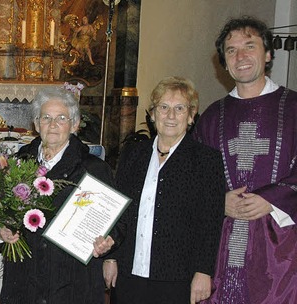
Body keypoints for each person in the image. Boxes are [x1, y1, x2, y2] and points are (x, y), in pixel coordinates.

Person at [195, 16, 297, 303]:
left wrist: (273, 199)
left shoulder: (293, 108)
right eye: (231, 50)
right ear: (224, 63)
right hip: (220, 248)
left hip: (282, 253)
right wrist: (218, 200)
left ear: (267, 54)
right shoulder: (212, 117)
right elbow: (194, 178)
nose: (240, 56)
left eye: (249, 46)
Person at [105, 76, 225, 303]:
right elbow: (117, 210)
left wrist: (203, 271)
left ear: (191, 116)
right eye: (164, 107)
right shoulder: (133, 154)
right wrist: (111, 258)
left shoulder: (206, 160)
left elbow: (210, 222)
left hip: (177, 278)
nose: (170, 116)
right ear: (152, 114)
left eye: (179, 108)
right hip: (129, 272)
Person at [0, 87, 121, 304]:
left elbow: (119, 223)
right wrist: (0, 231)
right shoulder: (16, 163)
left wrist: (109, 242)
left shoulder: (94, 169)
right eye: (46, 117)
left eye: (61, 118)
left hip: (73, 283)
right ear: (36, 124)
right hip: (25, 279)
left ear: (74, 124)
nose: (53, 125)